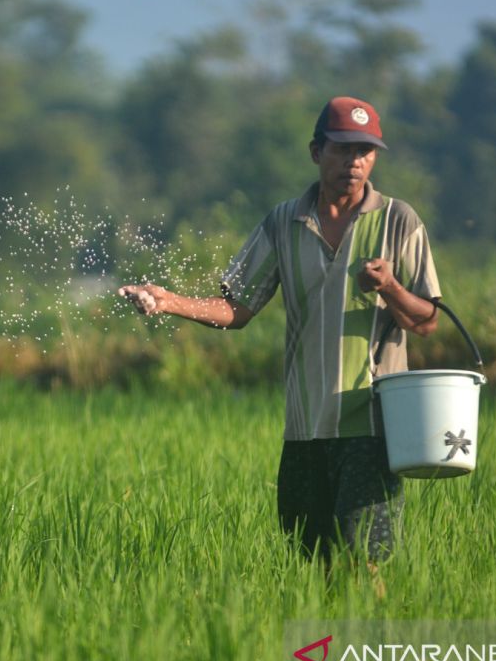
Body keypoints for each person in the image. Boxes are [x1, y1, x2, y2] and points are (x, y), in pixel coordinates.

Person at [119, 95, 440, 565]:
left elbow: (428, 321)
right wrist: (169, 301)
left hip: (372, 428)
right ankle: (319, 639)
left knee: (362, 562)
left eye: (365, 152)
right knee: (309, 560)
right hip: (304, 429)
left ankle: (363, 638)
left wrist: (390, 286)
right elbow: (238, 308)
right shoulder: (283, 222)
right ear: (316, 152)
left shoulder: (398, 221)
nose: (355, 162)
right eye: (343, 149)